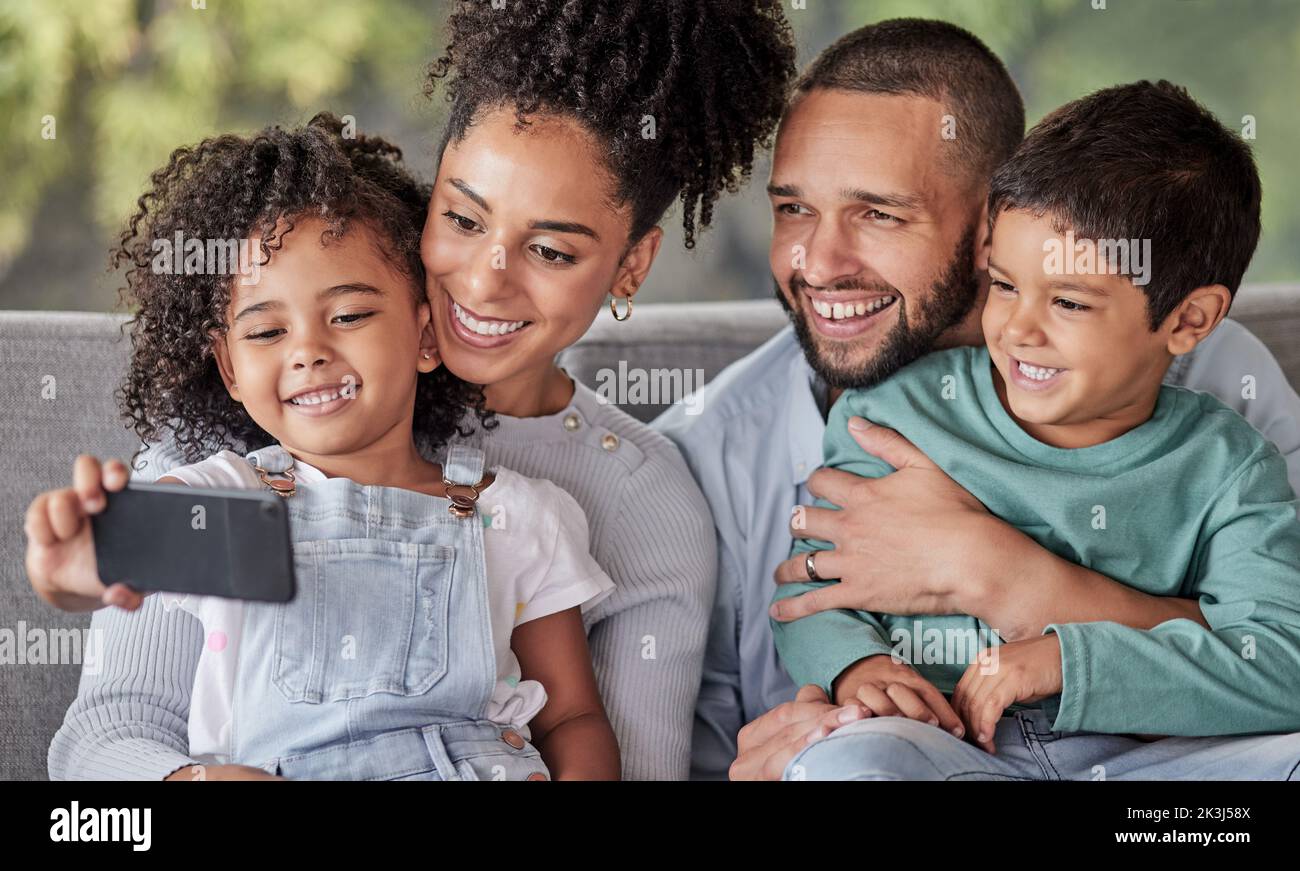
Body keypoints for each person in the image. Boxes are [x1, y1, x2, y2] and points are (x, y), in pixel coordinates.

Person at [59, 0, 799, 780]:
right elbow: (100, 747)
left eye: (549, 249)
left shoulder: (639, 501)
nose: (484, 281)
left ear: (631, 266)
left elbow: (606, 748)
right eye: (463, 217)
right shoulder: (234, 431)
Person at [655, 18, 1300, 780]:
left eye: (879, 213)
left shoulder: (1219, 394)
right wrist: (851, 678)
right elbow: (799, 624)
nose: (818, 263)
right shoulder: (707, 459)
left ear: (990, 225)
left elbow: (1276, 653)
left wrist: (1002, 574)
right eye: (793, 208)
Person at [29, 115, 620, 780]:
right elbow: (114, 560)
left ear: (427, 337)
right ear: (229, 370)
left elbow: (571, 716)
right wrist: (74, 567)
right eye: (265, 332)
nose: (308, 350)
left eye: (349, 316)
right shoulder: (230, 503)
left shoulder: (517, 515)